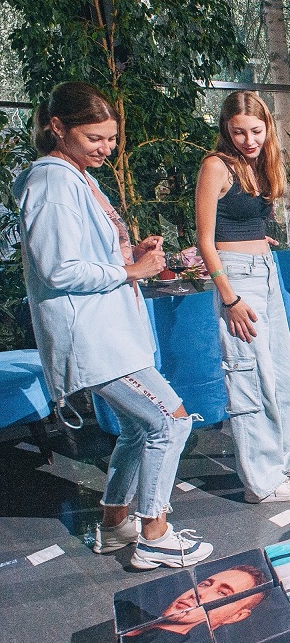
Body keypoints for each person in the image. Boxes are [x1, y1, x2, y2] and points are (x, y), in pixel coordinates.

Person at [15, 81, 213, 570]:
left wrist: (130, 256)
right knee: (170, 420)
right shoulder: (53, 182)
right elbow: (58, 268)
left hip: (108, 332)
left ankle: (114, 524)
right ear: (57, 127)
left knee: (137, 429)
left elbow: (83, 255)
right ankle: (155, 536)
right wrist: (132, 271)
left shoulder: (78, 177)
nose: (105, 148)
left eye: (111, 139)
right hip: (93, 337)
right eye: (94, 138)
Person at [195, 90, 290, 504]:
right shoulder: (216, 166)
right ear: (226, 131)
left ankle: (283, 456)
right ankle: (261, 483)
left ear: (267, 128)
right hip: (237, 280)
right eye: (239, 132)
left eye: (256, 131)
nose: (249, 140)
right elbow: (206, 241)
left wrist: (257, 240)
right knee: (250, 375)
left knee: (280, 369)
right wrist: (229, 299)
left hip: (265, 270)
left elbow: (241, 220)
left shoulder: (260, 165)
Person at [124, 565, 268, 641]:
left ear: (236, 616)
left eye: (223, 593)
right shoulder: (126, 608)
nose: (199, 594)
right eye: (205, 584)